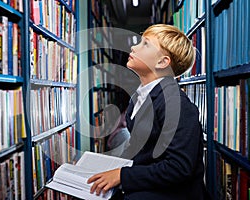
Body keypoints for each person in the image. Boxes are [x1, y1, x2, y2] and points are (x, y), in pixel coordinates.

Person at [87, 24, 210, 199]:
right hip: (149, 183)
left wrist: (121, 175)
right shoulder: (140, 96)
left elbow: (179, 167)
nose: (133, 47)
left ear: (162, 62)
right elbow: (143, 151)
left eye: (145, 44)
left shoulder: (175, 103)